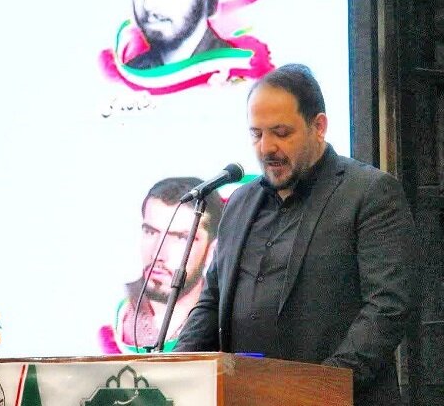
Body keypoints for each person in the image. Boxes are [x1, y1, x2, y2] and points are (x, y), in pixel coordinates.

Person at [174, 64, 416, 405]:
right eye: (256, 134)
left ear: (319, 127)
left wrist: (318, 388)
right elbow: (212, 302)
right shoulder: (240, 202)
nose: (266, 147)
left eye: (281, 132)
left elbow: (387, 307)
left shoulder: (369, 193)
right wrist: (172, 372)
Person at [99, 177, 223, 353]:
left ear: (212, 249)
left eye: (181, 238)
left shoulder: (224, 325)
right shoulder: (112, 314)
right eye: (150, 232)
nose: (158, 253)